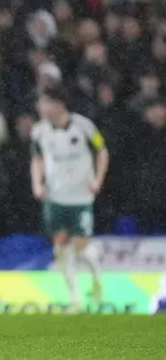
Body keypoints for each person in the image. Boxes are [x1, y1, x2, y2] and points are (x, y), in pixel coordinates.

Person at [30, 87, 109, 312]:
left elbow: (102, 151)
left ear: (59, 104)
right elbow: (36, 158)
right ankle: (75, 300)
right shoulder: (39, 131)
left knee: (81, 249)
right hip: (55, 198)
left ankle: (96, 280)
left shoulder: (83, 126)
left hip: (81, 197)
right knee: (62, 250)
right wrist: (37, 183)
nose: (40, 108)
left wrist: (98, 180)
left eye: (45, 103)